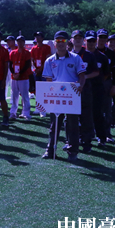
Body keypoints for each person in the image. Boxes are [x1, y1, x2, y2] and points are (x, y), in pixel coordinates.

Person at [41, 31, 86, 162]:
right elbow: (48, 80)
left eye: (63, 41)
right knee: (54, 125)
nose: (61, 43)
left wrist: (80, 86)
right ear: (55, 43)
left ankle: (73, 151)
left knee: (72, 125)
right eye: (58, 41)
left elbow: (82, 75)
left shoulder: (75, 58)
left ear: (68, 42)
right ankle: (50, 150)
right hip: (56, 97)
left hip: (71, 96)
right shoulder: (49, 60)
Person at [72, 30, 99, 153]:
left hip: (85, 90)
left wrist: (85, 77)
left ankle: (86, 143)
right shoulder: (68, 55)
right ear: (72, 40)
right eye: (75, 38)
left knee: (86, 118)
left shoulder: (89, 55)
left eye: (80, 38)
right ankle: (71, 141)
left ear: (83, 40)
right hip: (71, 91)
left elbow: (96, 72)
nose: (77, 40)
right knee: (71, 118)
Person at [85, 30, 109, 147]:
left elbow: (106, 74)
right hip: (83, 89)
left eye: (93, 41)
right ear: (85, 41)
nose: (91, 43)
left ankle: (102, 137)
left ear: (96, 41)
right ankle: (85, 137)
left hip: (97, 89)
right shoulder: (80, 56)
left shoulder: (102, 57)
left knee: (98, 114)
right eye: (89, 41)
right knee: (84, 115)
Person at [96, 29, 115, 143]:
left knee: (107, 110)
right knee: (93, 109)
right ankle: (93, 133)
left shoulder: (110, 53)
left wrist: (114, 86)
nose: (102, 39)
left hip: (106, 84)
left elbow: (114, 71)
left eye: (104, 37)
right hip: (92, 84)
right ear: (97, 38)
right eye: (100, 37)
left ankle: (107, 134)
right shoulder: (91, 51)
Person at [9, 35, 32, 120]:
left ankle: (26, 113)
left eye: (21, 41)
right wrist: (14, 73)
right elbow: (10, 64)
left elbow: (27, 65)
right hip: (14, 77)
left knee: (25, 96)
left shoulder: (27, 52)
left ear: (24, 42)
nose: (20, 43)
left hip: (24, 77)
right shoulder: (13, 52)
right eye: (18, 41)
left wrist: (20, 73)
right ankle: (13, 113)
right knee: (14, 96)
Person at [30, 32, 51, 117]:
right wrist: (35, 68)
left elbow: (47, 59)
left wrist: (41, 68)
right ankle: (38, 108)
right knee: (37, 90)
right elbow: (32, 60)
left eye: (39, 36)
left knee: (44, 91)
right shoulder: (33, 48)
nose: (37, 38)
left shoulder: (47, 47)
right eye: (36, 37)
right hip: (36, 72)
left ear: (42, 38)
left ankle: (43, 109)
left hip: (44, 72)